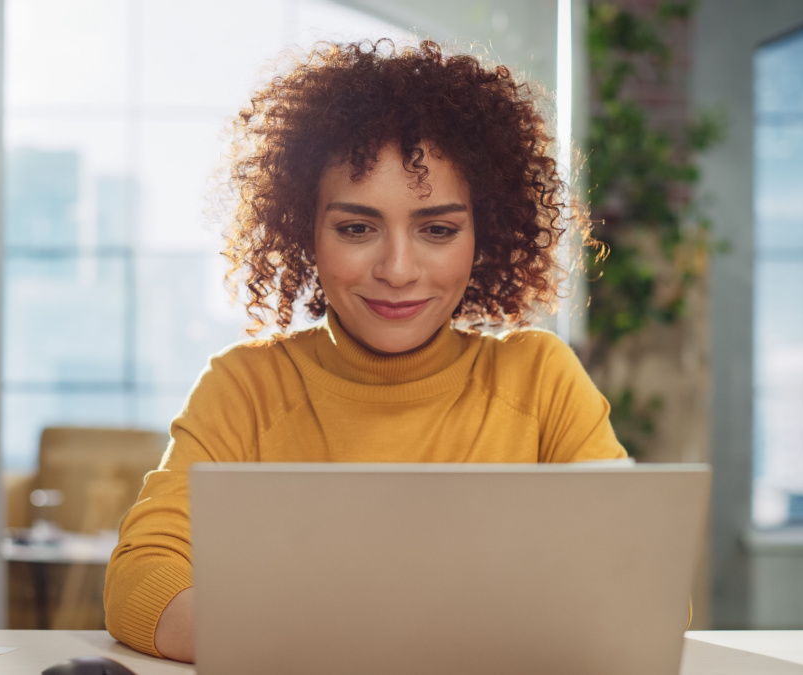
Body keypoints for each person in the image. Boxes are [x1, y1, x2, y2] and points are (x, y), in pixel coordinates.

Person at [103, 40, 627, 663]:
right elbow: (141, 581)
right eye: (357, 228)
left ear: (483, 235)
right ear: (305, 233)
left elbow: (636, 592)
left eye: (438, 229)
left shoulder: (540, 380)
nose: (398, 270)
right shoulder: (245, 387)